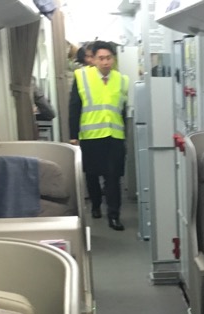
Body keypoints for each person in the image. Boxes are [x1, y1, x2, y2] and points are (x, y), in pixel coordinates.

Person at [69, 40, 129, 230]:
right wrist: (73, 135)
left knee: (113, 177)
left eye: (108, 58)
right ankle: (95, 205)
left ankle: (114, 215)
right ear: (93, 59)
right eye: (101, 58)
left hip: (114, 136)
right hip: (91, 135)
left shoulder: (122, 80)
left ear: (114, 59)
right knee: (92, 174)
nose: (105, 62)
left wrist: (125, 134)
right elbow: (74, 107)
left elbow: (123, 109)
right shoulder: (82, 76)